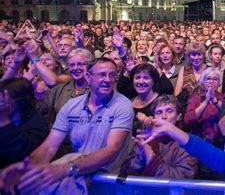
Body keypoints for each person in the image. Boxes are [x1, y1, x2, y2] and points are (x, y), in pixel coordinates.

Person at [1, 58, 134, 194]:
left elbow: (112, 150)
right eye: (102, 74)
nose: (108, 79)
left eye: (112, 75)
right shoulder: (72, 105)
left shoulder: (123, 105)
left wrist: (67, 169)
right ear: (88, 76)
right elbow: (49, 147)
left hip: (105, 178)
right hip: (78, 171)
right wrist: (27, 168)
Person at [121, 95, 197, 179]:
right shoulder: (145, 139)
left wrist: (152, 160)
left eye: (169, 110)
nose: (164, 116)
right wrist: (140, 160)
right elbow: (124, 173)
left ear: (178, 117)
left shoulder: (186, 143)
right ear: (153, 118)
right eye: (159, 112)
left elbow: (184, 178)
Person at [0, 78, 48, 169]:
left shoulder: (37, 124)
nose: (1, 102)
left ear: (21, 101)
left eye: (4, 98)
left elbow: (19, 154)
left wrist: (4, 121)